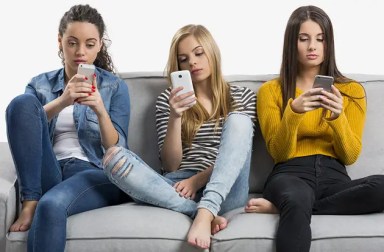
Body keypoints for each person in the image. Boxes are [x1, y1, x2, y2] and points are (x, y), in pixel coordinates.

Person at [102, 24, 256, 249]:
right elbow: (171, 165)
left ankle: (205, 212)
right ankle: (201, 213)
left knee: (240, 121)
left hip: (226, 188)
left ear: (212, 52)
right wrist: (175, 116)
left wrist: (198, 180)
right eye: (184, 59)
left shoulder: (242, 96)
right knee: (113, 157)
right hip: (178, 186)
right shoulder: (168, 99)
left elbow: (240, 155)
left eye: (198, 53)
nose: (192, 62)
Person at [244, 5, 384, 252]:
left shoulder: (351, 91)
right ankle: (295, 204)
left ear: (329, 43)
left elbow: (349, 156)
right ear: (291, 43)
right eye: (304, 39)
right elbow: (279, 153)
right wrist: (293, 113)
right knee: (297, 197)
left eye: (320, 39)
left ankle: (290, 206)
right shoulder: (271, 91)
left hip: (334, 177)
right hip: (290, 173)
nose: (312, 47)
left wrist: (337, 117)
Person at [6, 4, 130, 252]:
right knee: (22, 103)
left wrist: (100, 110)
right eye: (72, 43)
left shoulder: (114, 87)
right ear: (60, 41)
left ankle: (39, 201)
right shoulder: (39, 84)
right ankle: (30, 199)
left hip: (94, 171)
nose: (80, 52)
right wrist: (62, 101)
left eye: (89, 44)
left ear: (100, 46)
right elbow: (24, 123)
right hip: (49, 169)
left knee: (51, 205)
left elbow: (117, 148)